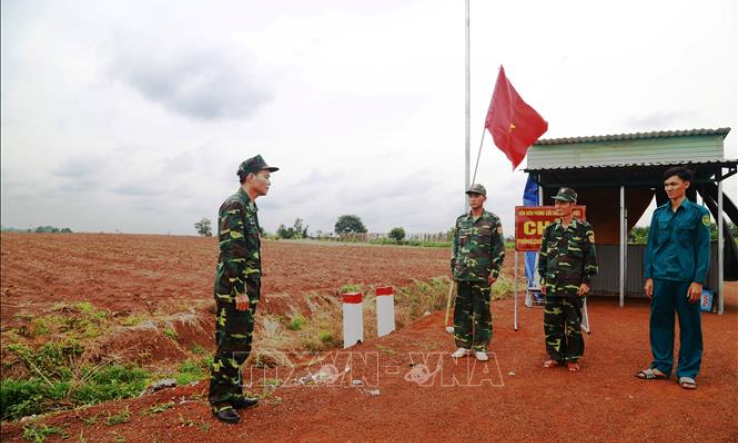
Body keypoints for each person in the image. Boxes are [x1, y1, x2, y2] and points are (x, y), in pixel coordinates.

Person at [209, 154, 278, 424]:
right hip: (234, 290)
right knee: (229, 344)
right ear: (250, 177)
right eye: (266, 176)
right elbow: (232, 251)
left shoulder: (249, 206)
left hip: (246, 289)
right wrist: (238, 290)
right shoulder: (234, 205)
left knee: (241, 344)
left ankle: (234, 393)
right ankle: (220, 401)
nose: (269, 181)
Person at [637, 166, 710, 390]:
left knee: (690, 326)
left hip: (686, 280)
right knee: (660, 323)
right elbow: (651, 247)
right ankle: (661, 366)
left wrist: (698, 280)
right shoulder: (659, 213)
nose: (669, 188)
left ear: (686, 185)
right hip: (661, 278)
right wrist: (649, 276)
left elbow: (703, 248)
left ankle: (687, 371)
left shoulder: (699, 213)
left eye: (674, 184)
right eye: (666, 185)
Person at [538, 187, 598, 372]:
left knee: (572, 324)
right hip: (553, 285)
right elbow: (543, 257)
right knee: (552, 324)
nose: (558, 205)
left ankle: (572, 358)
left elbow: (590, 257)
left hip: (573, 286)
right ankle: (556, 356)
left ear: (572, 205)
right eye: (556, 202)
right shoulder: (550, 229)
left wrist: (586, 281)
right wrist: (542, 280)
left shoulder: (583, 228)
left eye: (562, 202)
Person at [450, 184, 505, 362]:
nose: (472, 198)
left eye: (477, 195)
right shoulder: (461, 221)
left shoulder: (492, 221)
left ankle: (480, 347)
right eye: (470, 195)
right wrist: (454, 268)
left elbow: (499, 249)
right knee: (461, 311)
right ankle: (463, 345)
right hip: (463, 273)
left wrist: (495, 272)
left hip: (482, 274)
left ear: (484, 198)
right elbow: (455, 247)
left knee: (482, 311)